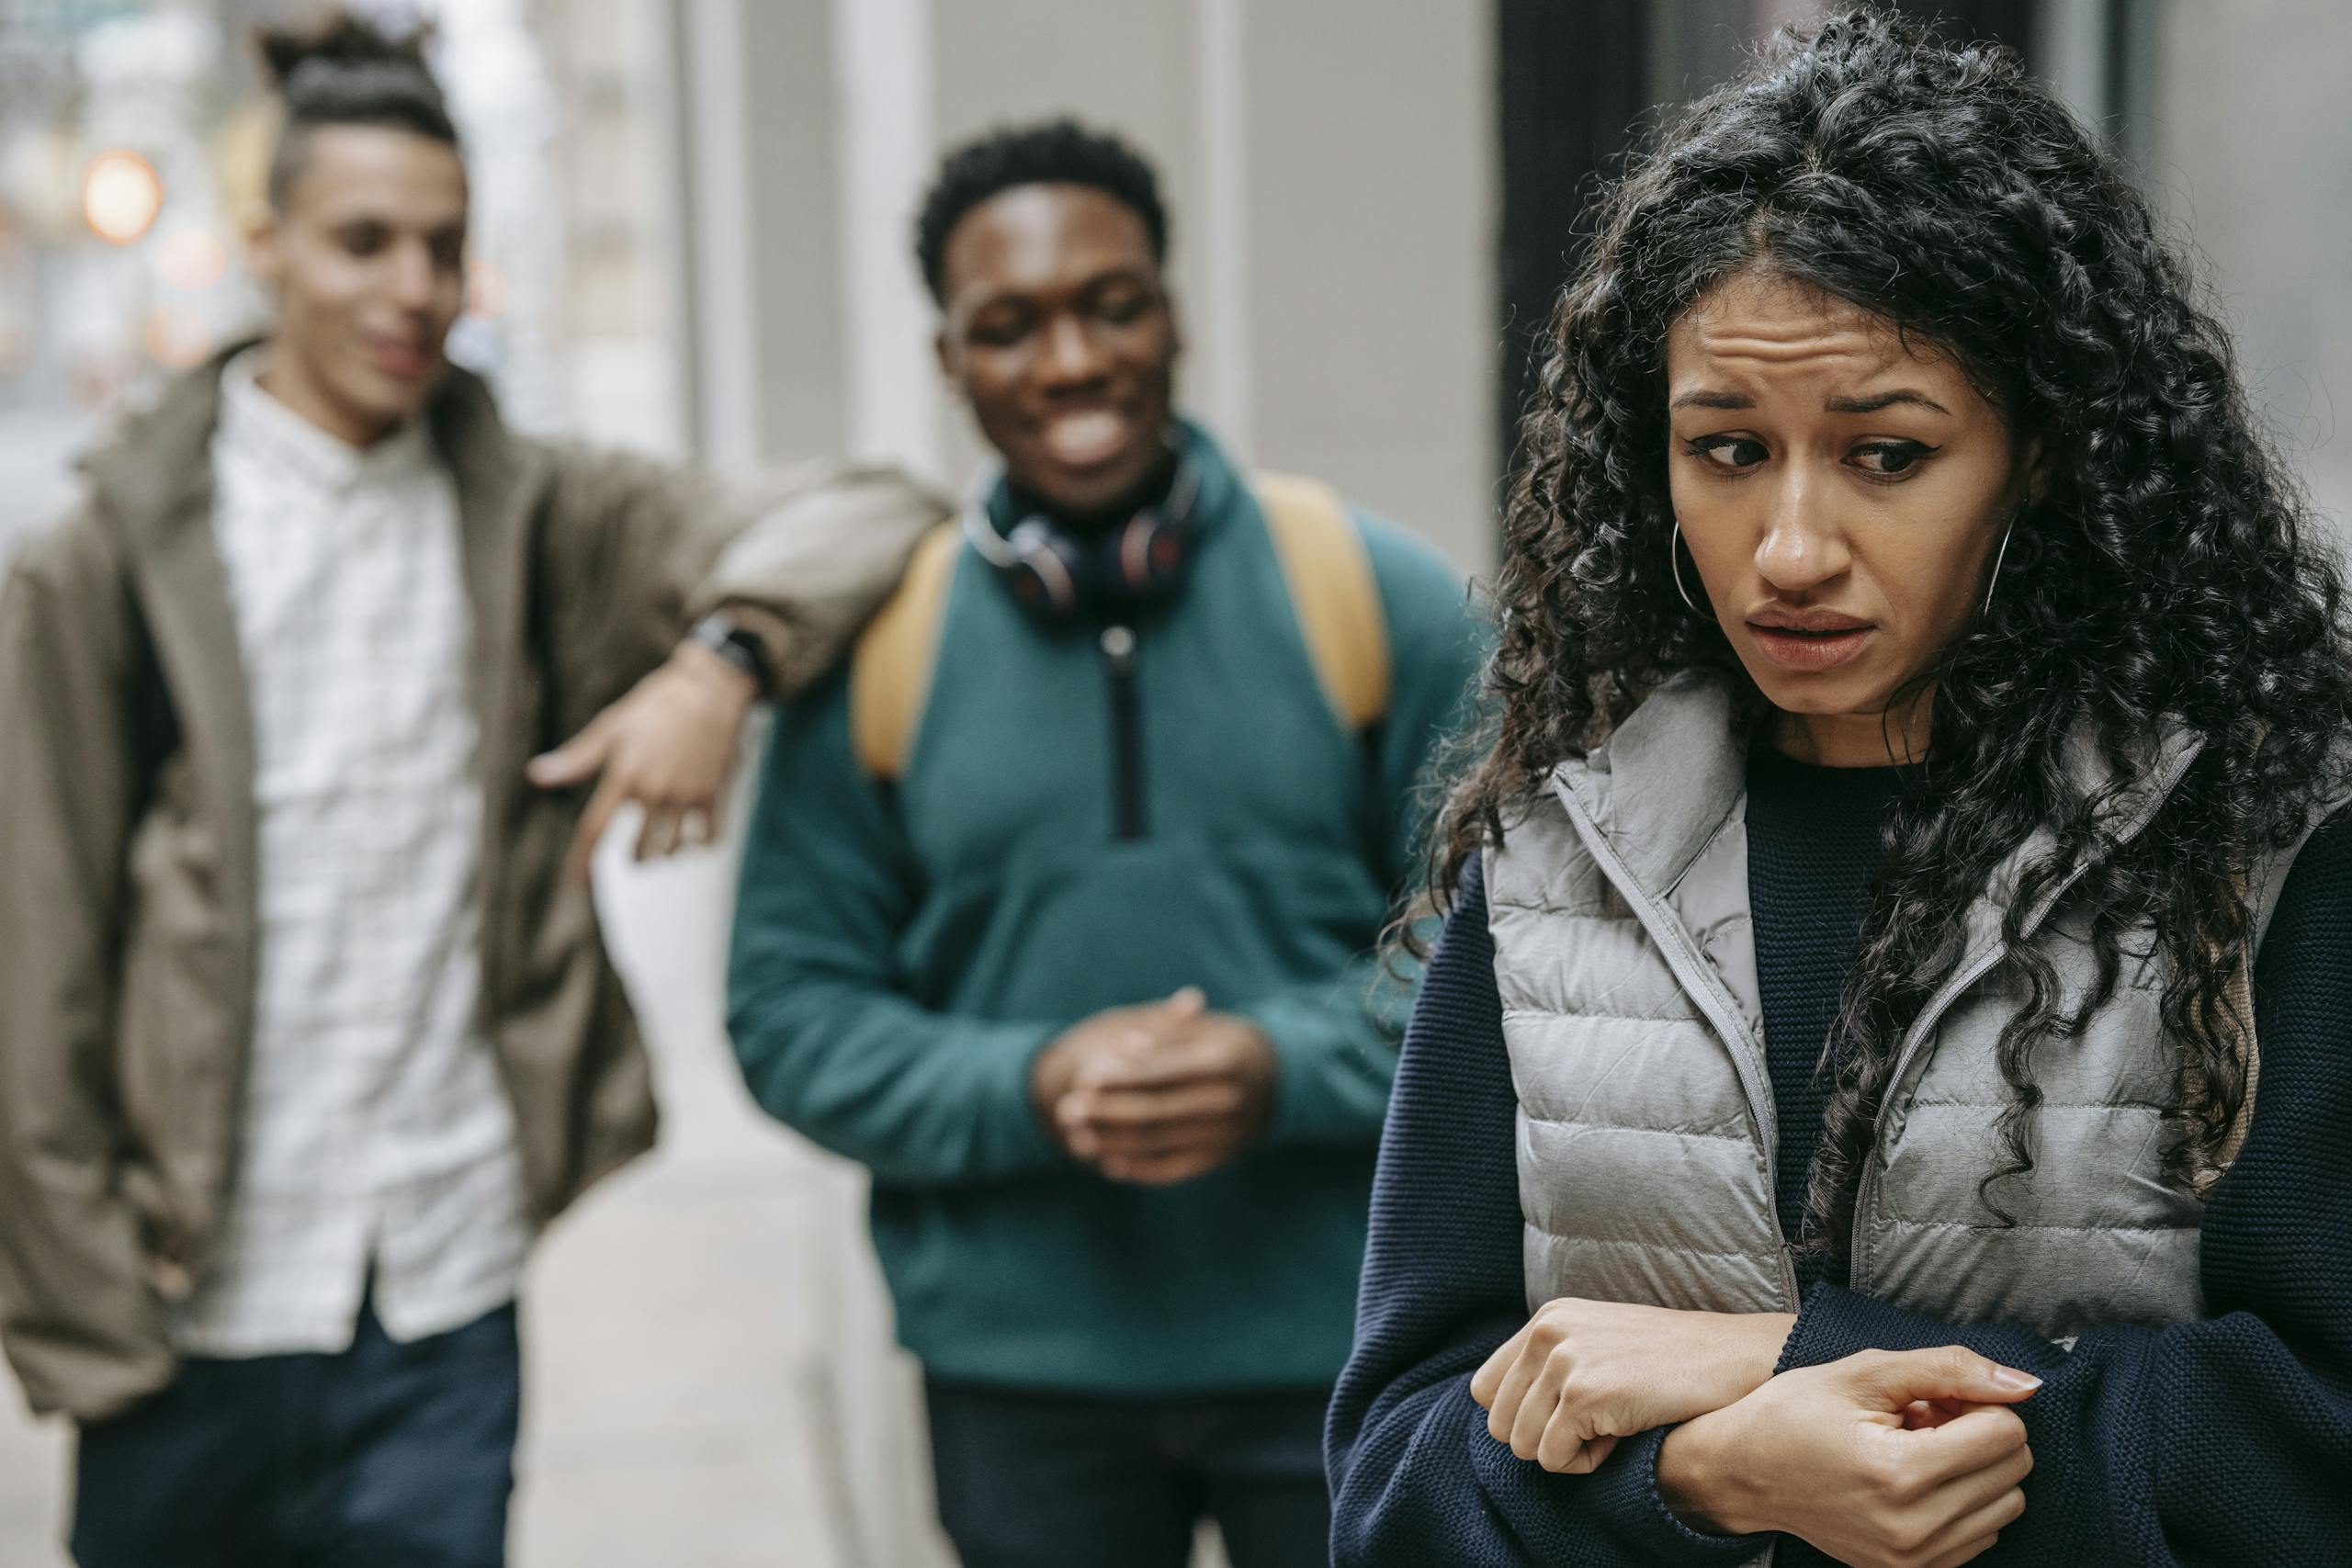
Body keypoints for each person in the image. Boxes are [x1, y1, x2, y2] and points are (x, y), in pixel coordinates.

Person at [1328, 11, 2352, 1568]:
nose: (1791, 549)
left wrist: (1787, 1354)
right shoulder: (1560, 856)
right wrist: (1704, 1480)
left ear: (2043, 458)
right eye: (1727, 449)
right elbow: (1390, 1487)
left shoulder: (2258, 846)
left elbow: (2313, 1444)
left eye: (1887, 456)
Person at [0, 17, 940, 1567]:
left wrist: (717, 668)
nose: (414, 290)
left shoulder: (539, 509)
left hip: (442, 1299)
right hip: (190, 1316)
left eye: (443, 247)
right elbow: (34, 958)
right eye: (363, 243)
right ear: (266, 253)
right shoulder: (107, 554)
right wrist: (91, 1312)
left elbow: (874, 509)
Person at [727, 119, 1482, 1568]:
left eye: (1110, 304)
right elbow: (787, 1011)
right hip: (1022, 1387)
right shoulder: (876, 652)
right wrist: (1033, 1083)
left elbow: (1512, 952)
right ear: (950, 360)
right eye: (1009, 327)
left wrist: (1281, 1067)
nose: (1069, 362)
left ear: (1175, 311)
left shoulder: (1374, 596)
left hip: (1344, 1344)